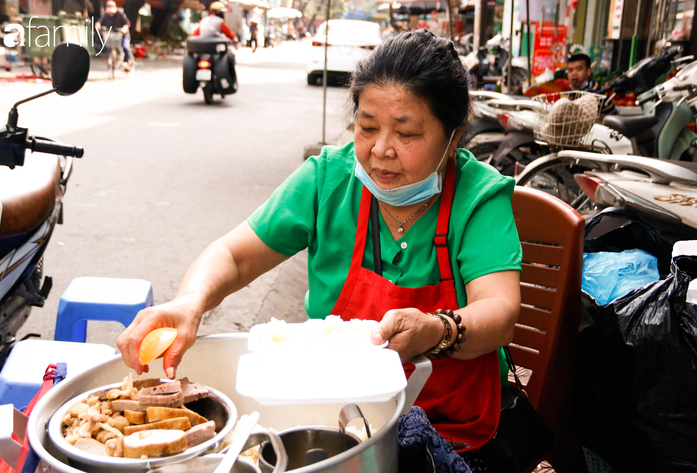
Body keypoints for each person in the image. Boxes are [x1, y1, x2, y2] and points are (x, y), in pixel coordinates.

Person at [117, 30, 521, 468]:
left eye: (406, 134)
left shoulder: (479, 197)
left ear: (454, 136)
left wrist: (436, 330)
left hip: (451, 431)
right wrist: (190, 302)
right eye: (367, 128)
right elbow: (234, 256)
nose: (381, 150)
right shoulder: (329, 178)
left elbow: (499, 312)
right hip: (334, 416)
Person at [96, 0, 132, 71]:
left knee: (125, 47)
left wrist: (124, 29)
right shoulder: (105, 14)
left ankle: (126, 62)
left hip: (122, 34)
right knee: (109, 47)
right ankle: (111, 63)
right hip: (112, 35)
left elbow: (127, 24)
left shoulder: (120, 13)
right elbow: (99, 22)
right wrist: (98, 25)